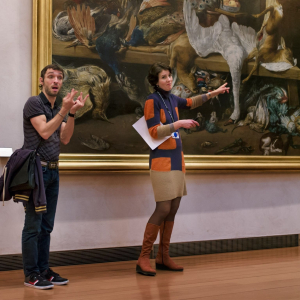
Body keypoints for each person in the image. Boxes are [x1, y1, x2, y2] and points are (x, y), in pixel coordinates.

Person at [136, 62, 229, 276]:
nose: (168, 80)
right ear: (155, 81)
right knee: (163, 209)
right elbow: (153, 132)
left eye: (169, 76)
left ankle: (163, 256)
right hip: (161, 161)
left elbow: (191, 101)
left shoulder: (172, 99)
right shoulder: (152, 101)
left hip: (177, 160)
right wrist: (178, 124)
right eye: (163, 77)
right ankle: (143, 257)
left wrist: (213, 92)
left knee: (174, 208)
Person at [22, 64, 88, 289]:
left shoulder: (56, 108)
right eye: (51, 77)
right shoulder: (34, 103)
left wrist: (71, 113)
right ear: (42, 81)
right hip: (36, 171)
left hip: (52, 170)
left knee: (47, 226)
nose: (56, 81)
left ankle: (43, 270)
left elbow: (65, 138)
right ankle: (31, 274)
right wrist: (63, 110)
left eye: (60, 77)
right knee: (33, 225)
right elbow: (44, 131)